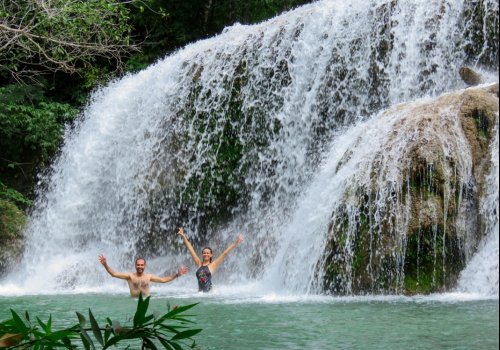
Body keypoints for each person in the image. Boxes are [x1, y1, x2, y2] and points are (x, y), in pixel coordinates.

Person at [178, 226, 244, 292]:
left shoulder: (213, 265)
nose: (206, 254)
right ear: (202, 254)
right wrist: (183, 236)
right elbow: (191, 250)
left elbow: (225, 253)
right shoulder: (199, 263)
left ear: (211, 255)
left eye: (207, 253)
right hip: (200, 294)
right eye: (204, 253)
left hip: (209, 293)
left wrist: (236, 242)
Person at [98, 255, 188, 297]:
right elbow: (114, 274)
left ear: (144, 266)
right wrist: (105, 264)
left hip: (146, 301)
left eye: (141, 265)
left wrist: (177, 274)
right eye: (138, 265)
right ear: (135, 265)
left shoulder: (149, 277)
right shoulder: (130, 276)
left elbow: (163, 280)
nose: (140, 266)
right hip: (134, 301)